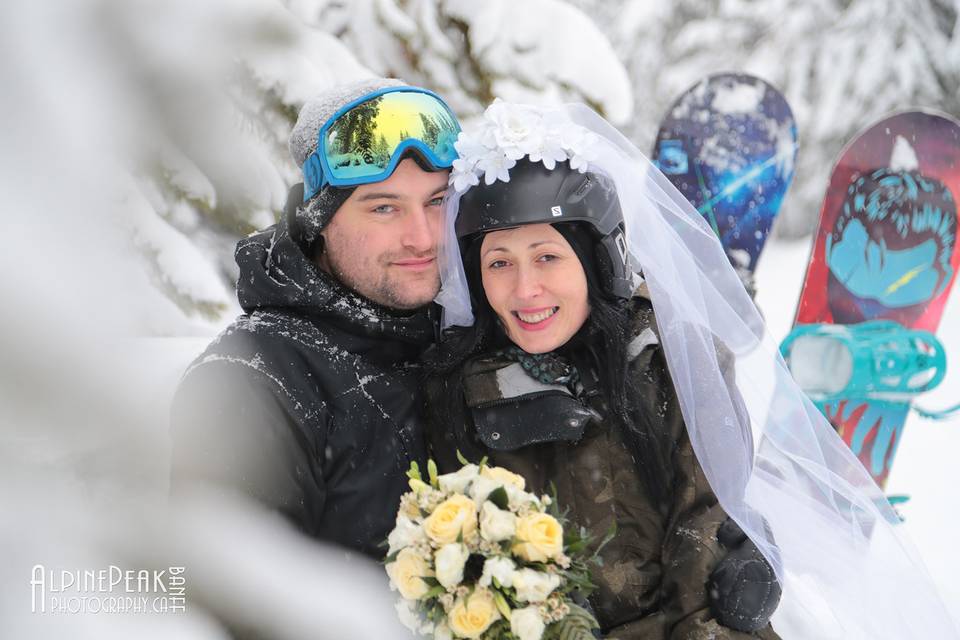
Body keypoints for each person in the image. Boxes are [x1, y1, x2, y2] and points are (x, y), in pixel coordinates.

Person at [424, 125, 782, 636]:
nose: (525, 289)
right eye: (499, 262)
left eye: (547, 256)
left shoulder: (671, 362)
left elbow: (703, 554)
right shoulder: (459, 385)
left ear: (598, 260)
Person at [170, 78, 462, 558]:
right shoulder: (251, 382)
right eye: (384, 207)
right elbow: (242, 604)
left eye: (437, 201)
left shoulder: (466, 329)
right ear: (320, 220)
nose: (423, 237)